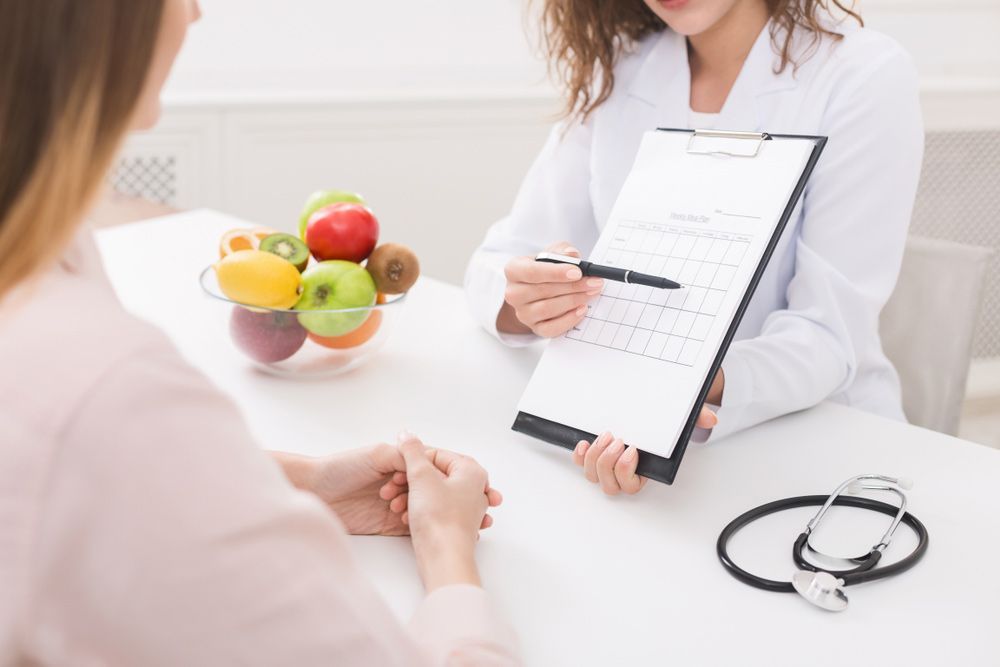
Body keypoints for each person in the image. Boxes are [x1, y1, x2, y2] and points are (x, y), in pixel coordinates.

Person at [0, 1, 518, 664]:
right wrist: (448, 550)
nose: (193, 12)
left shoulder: (48, 260)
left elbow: (84, 486)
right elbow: (97, 445)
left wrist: (306, 481)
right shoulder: (104, 385)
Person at [465, 0, 923, 495]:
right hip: (630, 434)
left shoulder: (862, 75)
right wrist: (529, 300)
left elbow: (828, 336)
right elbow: (499, 262)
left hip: (822, 452)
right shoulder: (619, 70)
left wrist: (679, 381)